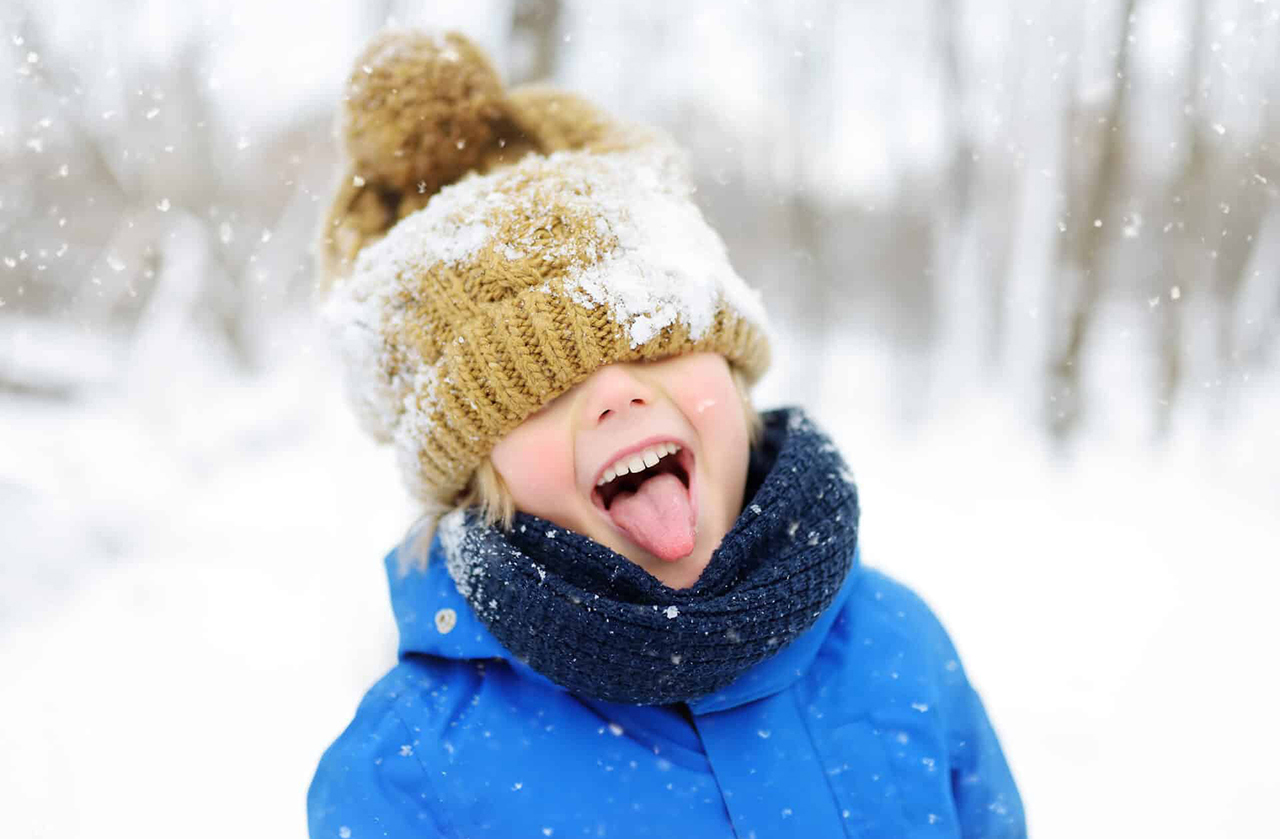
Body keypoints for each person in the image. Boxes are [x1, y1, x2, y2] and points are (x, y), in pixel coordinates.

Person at [308, 28, 1025, 839]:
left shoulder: (897, 646)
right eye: (540, 389)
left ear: (733, 366)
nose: (615, 391)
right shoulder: (414, 767)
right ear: (474, 473)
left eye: (653, 337)